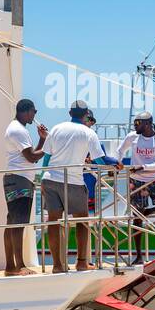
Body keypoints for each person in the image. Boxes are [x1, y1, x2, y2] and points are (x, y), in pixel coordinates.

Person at [40, 99, 119, 272]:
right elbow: (99, 160)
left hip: (50, 178)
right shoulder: (88, 133)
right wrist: (115, 164)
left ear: (69, 114)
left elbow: (46, 159)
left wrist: (41, 179)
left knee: (54, 221)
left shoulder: (56, 129)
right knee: (82, 220)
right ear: (86, 115)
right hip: (73, 180)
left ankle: (57, 265)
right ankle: (82, 262)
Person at [115, 111, 155, 263]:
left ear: (148, 124)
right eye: (134, 123)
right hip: (136, 180)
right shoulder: (132, 137)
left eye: (138, 123)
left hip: (154, 178)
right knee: (136, 219)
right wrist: (117, 163)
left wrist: (144, 166)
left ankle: (148, 212)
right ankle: (139, 256)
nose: (135, 126)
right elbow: (120, 150)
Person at [2, 98, 47, 275]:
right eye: (34, 112)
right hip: (19, 179)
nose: (35, 115)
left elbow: (32, 154)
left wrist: (42, 140)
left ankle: (10, 266)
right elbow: (32, 157)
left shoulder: (16, 129)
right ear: (26, 111)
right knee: (18, 223)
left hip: (16, 178)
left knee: (12, 223)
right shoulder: (18, 130)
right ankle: (19, 266)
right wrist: (50, 146)